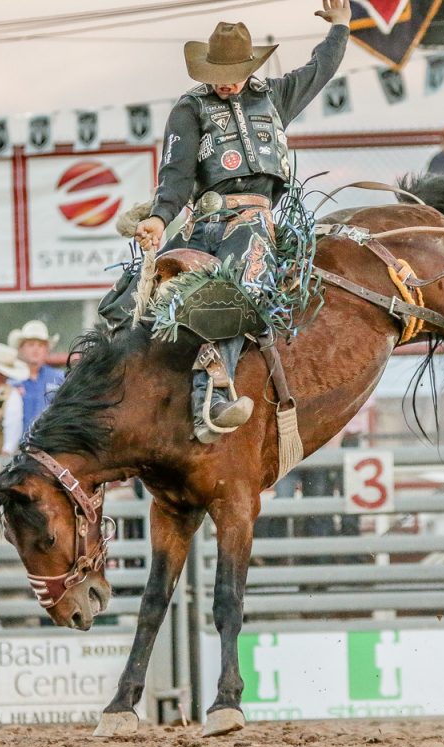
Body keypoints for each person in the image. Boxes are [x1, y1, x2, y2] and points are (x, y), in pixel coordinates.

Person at [132, 0, 353, 444]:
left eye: (234, 73)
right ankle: (147, 389)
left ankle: (214, 396)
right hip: (208, 220)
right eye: (218, 75)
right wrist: (159, 217)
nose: (227, 83)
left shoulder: (274, 95)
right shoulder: (190, 108)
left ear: (250, 67)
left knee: (251, 285)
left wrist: (340, 28)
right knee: (142, 297)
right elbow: (175, 175)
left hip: (257, 221)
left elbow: (320, 69)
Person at [6, 320, 65, 436]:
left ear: (47, 350)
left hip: (51, 443)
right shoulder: (9, 381)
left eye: (41, 345)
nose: (36, 349)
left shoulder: (60, 379)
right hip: (16, 443)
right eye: (31, 344)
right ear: (21, 349)